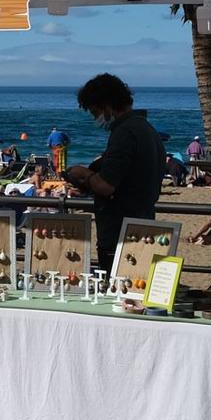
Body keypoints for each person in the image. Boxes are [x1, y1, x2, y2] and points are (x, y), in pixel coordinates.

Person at [61, 75, 163, 272]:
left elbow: (106, 186)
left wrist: (84, 174)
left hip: (119, 231)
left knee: (117, 288)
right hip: (143, 222)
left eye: (94, 112)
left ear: (106, 106)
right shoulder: (146, 128)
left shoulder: (124, 133)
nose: (95, 118)